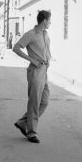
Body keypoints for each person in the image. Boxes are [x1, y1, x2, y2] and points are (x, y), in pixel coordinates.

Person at [12, 10, 52, 144]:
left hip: (44, 71)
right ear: (44, 20)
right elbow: (16, 48)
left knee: (44, 101)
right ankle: (31, 132)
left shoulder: (45, 34)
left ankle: (23, 122)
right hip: (35, 71)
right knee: (34, 102)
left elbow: (46, 51)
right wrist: (32, 60)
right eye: (49, 20)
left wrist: (49, 60)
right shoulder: (31, 34)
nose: (50, 23)